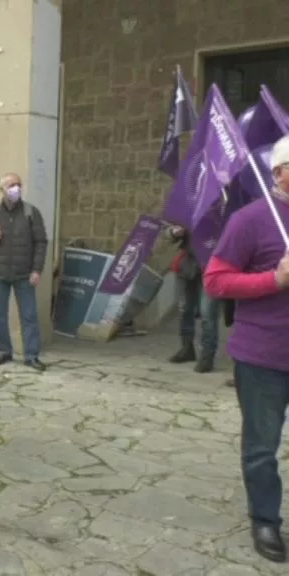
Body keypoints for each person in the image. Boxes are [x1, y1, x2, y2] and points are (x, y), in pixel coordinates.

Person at [203, 135, 289, 564]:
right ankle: (265, 518)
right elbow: (216, 281)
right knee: (262, 445)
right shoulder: (250, 220)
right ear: (279, 172)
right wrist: (273, 281)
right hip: (263, 358)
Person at [0, 172, 48, 371]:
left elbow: (41, 242)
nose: (16, 188)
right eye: (12, 185)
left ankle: (31, 355)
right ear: (2, 189)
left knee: (29, 316)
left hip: (25, 273)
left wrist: (37, 270)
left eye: (19, 184)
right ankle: (4, 350)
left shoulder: (31, 212)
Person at [168, 225, 220, 373]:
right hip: (188, 266)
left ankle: (207, 356)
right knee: (184, 309)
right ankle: (186, 348)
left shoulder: (224, 211)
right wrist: (174, 232)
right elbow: (169, 233)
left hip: (211, 267)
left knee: (207, 314)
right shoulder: (190, 208)